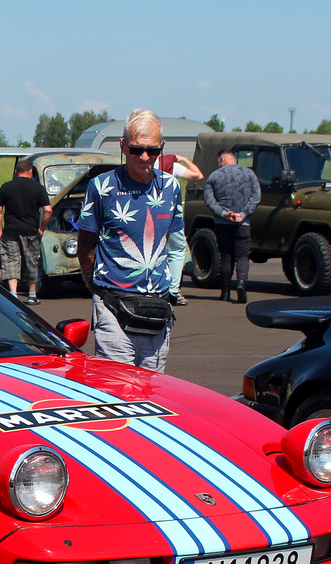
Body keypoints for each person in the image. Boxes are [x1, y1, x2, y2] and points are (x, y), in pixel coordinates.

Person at [77, 109, 183, 372]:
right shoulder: (102, 187)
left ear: (162, 147)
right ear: (123, 146)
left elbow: (168, 242)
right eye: (136, 150)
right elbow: (85, 246)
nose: (145, 157)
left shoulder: (171, 188)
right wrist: (98, 291)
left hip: (156, 308)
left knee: (151, 392)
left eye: (152, 151)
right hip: (113, 306)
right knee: (118, 390)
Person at [203, 150, 260, 303]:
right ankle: (241, 283)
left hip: (222, 223)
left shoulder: (214, 176)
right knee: (242, 255)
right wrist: (243, 213)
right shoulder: (250, 174)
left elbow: (209, 200)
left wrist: (223, 213)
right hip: (243, 222)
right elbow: (256, 197)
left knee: (226, 256)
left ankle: (225, 291)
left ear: (222, 159)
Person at [0, 158, 52, 305]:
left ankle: (13, 294)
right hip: (31, 230)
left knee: (11, 260)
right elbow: (48, 211)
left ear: (16, 171)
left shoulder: (6, 187)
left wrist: (0, 230)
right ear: (31, 171)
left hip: (11, 230)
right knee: (32, 261)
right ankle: (32, 295)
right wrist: (42, 229)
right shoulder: (38, 188)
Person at [156, 153, 203, 306]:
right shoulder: (170, 165)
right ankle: (173, 290)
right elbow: (198, 175)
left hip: (148, 215)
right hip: (169, 213)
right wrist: (184, 159)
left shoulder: (137, 167)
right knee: (176, 251)